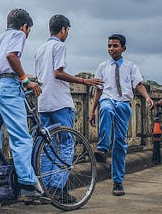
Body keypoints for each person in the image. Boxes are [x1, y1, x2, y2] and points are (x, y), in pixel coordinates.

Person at [34, 14, 103, 202]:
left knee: (46, 146)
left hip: (43, 102)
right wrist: (84, 81)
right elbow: (58, 73)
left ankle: (45, 189)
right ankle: (57, 187)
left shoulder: (40, 49)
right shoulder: (59, 46)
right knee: (66, 143)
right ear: (63, 29)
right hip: (59, 102)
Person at [0, 8, 44, 202]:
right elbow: (11, 56)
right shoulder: (18, 34)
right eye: (28, 30)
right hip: (8, 85)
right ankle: (27, 184)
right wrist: (26, 81)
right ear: (25, 26)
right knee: (21, 136)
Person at [89, 34, 154, 196]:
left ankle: (118, 181)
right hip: (107, 100)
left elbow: (138, 84)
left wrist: (146, 97)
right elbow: (98, 90)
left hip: (124, 104)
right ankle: (103, 147)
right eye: (109, 46)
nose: (111, 49)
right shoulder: (103, 67)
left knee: (120, 143)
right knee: (106, 109)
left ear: (123, 48)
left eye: (115, 46)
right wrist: (92, 110)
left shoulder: (130, 67)